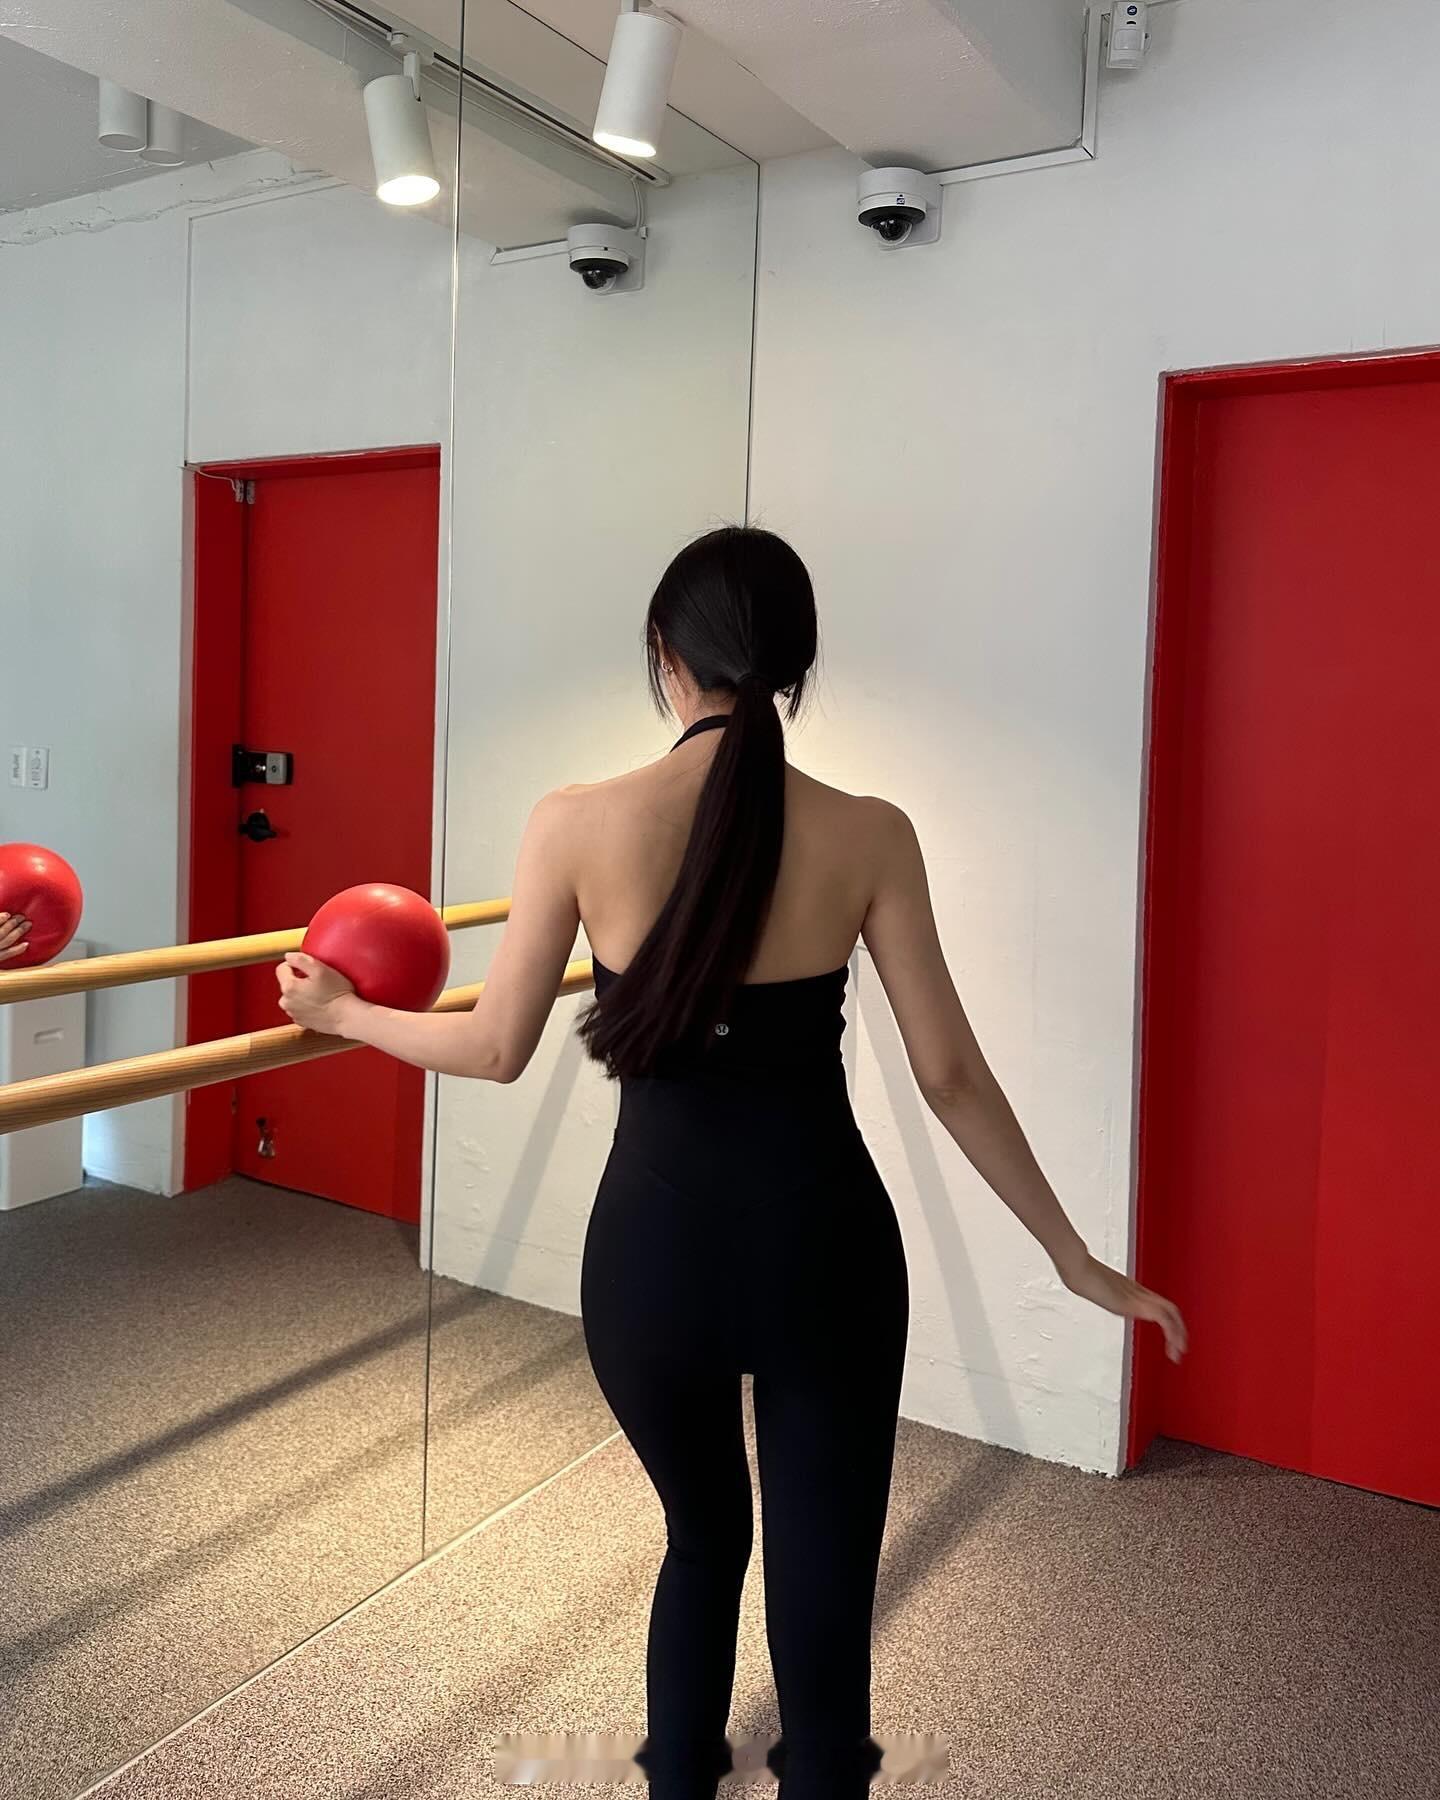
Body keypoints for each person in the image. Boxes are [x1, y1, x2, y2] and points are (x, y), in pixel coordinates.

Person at [277, 524, 1186, 1799]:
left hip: (656, 1262)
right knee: (825, 1583)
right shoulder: (872, 833)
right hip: (827, 1253)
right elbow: (949, 1076)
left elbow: (492, 1048)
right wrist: (1071, 1256)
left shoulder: (576, 822)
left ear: (666, 653)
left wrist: (343, 1016)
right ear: (797, 666)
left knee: (702, 1543)